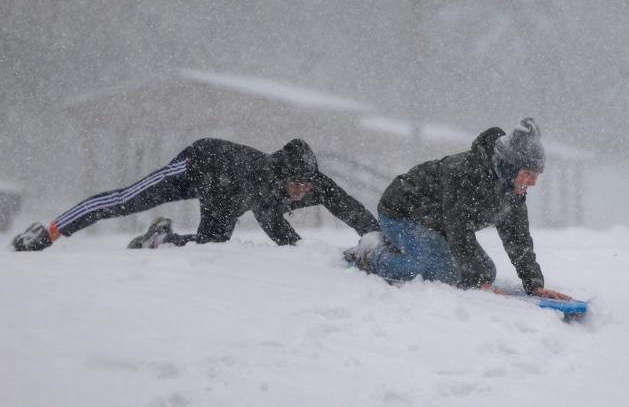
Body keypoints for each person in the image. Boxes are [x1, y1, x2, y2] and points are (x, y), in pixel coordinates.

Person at [11, 138, 380, 251]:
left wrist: (377, 238)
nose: (303, 191)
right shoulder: (263, 178)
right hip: (198, 166)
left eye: (308, 185)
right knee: (128, 200)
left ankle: (163, 238)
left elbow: (349, 208)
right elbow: (277, 229)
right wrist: (309, 257)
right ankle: (51, 229)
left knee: (211, 246)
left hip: (223, 196)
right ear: (283, 175)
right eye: (297, 184)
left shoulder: (314, 182)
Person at [346, 118, 571, 300]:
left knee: (486, 272)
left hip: (437, 225)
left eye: (537, 175)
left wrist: (534, 284)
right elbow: (458, 229)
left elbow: (517, 237)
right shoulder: (467, 173)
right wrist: (476, 282)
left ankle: (400, 246)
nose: (534, 182)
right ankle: (370, 252)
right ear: (511, 166)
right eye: (529, 174)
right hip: (401, 213)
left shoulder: (512, 191)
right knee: (439, 272)